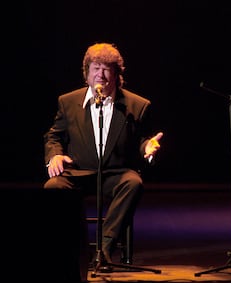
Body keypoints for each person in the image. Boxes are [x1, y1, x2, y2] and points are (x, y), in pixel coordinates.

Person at [43, 42, 164, 265]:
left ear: (117, 74)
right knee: (53, 187)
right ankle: (71, 249)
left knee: (133, 183)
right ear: (86, 72)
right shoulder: (68, 101)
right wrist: (55, 156)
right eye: (96, 68)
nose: (101, 74)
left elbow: (142, 139)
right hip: (78, 172)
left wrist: (147, 147)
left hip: (115, 173)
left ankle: (104, 248)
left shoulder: (137, 105)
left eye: (107, 68)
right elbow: (54, 136)